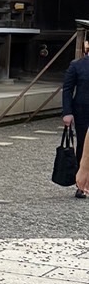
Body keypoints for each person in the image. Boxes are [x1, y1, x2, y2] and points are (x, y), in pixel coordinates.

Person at [61, 44, 89, 200]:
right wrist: (67, 112)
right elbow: (68, 88)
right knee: (84, 146)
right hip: (83, 110)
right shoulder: (77, 65)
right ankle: (81, 184)